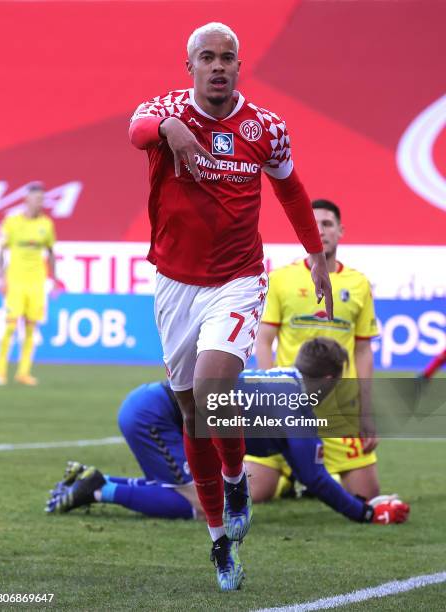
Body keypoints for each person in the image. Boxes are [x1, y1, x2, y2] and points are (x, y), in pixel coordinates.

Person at [128, 22, 332, 590]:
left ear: (239, 67)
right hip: (173, 283)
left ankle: (237, 475)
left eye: (228, 58)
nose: (218, 66)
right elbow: (137, 129)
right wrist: (172, 127)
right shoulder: (166, 108)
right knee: (193, 411)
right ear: (189, 64)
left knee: (217, 386)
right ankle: (219, 540)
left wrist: (315, 255)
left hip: (238, 279)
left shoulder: (265, 127)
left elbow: (289, 188)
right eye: (207, 58)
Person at [45, 339, 409, 528]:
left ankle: (96, 481)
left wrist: (363, 505)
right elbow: (312, 476)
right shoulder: (297, 402)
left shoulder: (284, 379)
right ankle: (98, 488)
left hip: (154, 407)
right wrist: (362, 513)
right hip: (156, 416)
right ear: (330, 379)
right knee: (205, 505)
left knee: (195, 492)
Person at [255, 199, 380, 501]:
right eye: (313, 225)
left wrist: (366, 412)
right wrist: (272, 396)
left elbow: (363, 351)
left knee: (367, 496)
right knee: (253, 493)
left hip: (338, 410)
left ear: (340, 231)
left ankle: (309, 474)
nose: (321, 231)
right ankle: (292, 477)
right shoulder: (282, 279)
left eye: (327, 224)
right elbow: (263, 340)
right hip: (289, 407)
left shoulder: (359, 284)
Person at [0, 182, 57, 386]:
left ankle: (23, 372)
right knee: (10, 327)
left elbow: (51, 253)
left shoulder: (46, 224)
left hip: (36, 283)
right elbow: (0, 251)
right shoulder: (12, 223)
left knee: (31, 328)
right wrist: (2, 277)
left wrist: (53, 279)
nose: (40, 202)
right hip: (16, 282)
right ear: (27, 199)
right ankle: (0, 371)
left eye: (42, 199)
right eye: (37, 198)